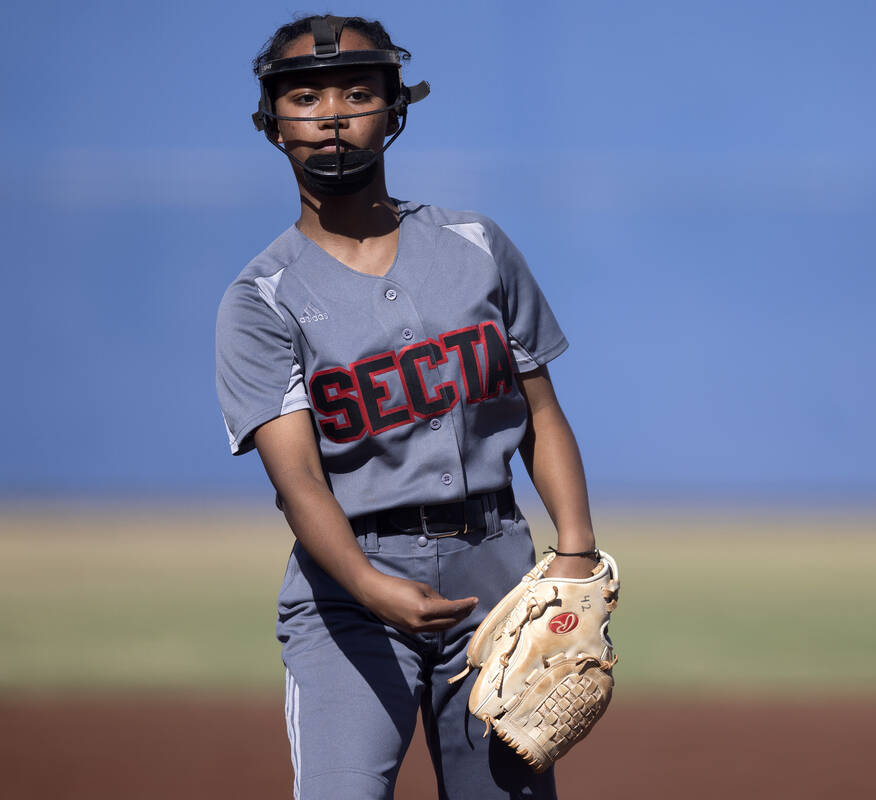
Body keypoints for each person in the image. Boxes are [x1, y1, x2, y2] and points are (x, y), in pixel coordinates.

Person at [215, 14, 597, 800]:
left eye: (357, 92)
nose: (330, 113)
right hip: (347, 595)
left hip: (497, 578)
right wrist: (365, 581)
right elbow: (299, 485)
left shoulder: (476, 245)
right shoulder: (262, 298)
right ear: (272, 124)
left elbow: (542, 415)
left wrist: (577, 551)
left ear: (395, 110)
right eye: (305, 96)